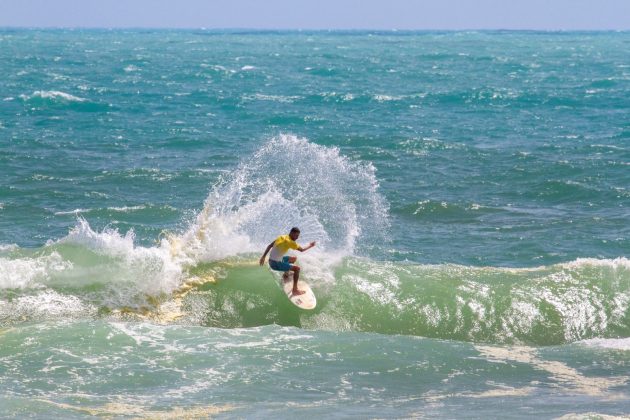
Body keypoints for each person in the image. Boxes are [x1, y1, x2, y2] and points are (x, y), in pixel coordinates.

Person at [259, 227, 316, 296]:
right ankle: (295, 290)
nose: (297, 238)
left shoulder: (281, 237)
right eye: (296, 235)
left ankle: (286, 274)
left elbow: (270, 246)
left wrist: (263, 256)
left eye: (298, 236)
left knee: (293, 259)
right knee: (297, 269)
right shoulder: (290, 242)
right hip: (275, 264)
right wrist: (310, 245)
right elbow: (302, 250)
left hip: (272, 261)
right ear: (291, 233)